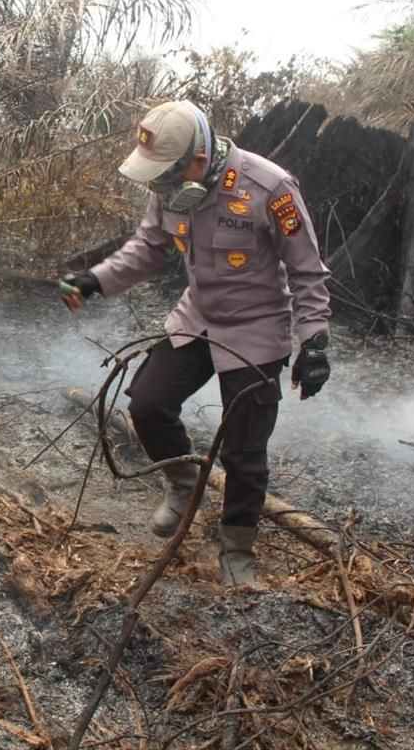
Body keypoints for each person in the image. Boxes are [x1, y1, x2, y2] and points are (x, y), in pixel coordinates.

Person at [60, 100, 332, 585]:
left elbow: (307, 271)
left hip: (255, 331)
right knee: (148, 404)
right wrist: (95, 280)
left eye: (167, 174)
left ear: (199, 159)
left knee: (244, 451)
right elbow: (148, 247)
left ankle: (236, 549)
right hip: (197, 318)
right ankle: (184, 483)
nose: (159, 185)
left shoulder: (270, 188)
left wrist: (314, 342)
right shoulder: (169, 186)